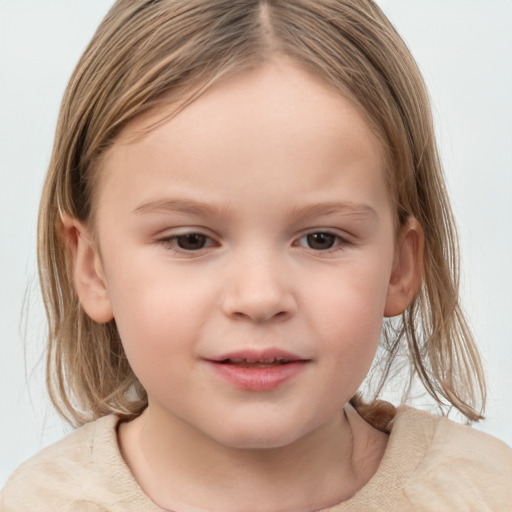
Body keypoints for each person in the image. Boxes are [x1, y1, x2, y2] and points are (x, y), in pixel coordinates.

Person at [1, 0, 511, 510]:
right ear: (92, 268)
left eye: (321, 239)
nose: (260, 297)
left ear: (400, 266)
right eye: (190, 240)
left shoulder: (486, 493)